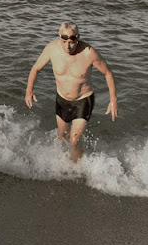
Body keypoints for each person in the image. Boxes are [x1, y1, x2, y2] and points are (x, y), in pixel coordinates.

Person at [24, 21, 118, 162]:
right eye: (64, 41)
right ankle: (60, 162)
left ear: (78, 37)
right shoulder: (51, 49)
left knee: (74, 140)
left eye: (72, 41)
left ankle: (76, 170)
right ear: (59, 36)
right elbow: (36, 68)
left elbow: (108, 73)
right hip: (62, 99)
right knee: (62, 135)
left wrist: (113, 100)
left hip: (83, 100)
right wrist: (29, 90)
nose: (68, 46)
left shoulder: (89, 53)